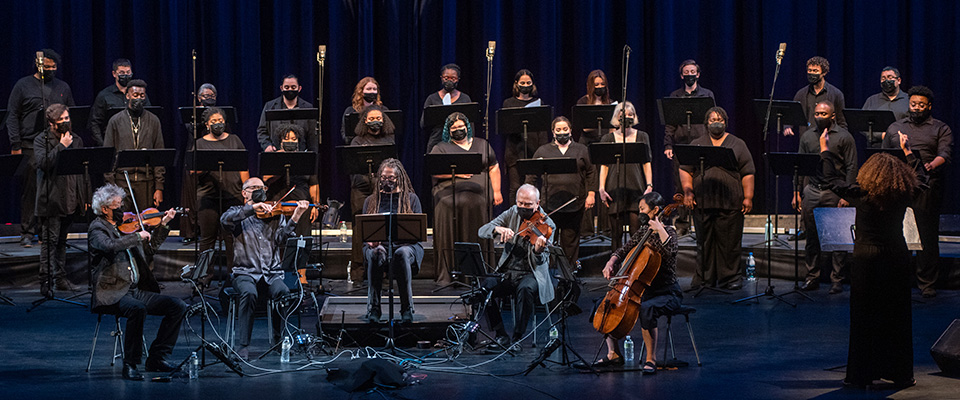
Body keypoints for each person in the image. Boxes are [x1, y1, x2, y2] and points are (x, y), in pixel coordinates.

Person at [819, 130, 924, 389]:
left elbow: (830, 179)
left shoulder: (860, 192)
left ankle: (860, 375)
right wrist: (909, 152)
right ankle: (900, 373)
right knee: (896, 316)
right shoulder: (904, 192)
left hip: (866, 259)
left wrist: (824, 150)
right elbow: (923, 179)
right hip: (896, 257)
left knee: (864, 316)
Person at [88, 184, 187, 381]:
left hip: (134, 290)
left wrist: (164, 223)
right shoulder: (97, 228)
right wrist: (135, 236)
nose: (122, 209)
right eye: (117, 206)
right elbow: (109, 246)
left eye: (122, 204)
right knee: (138, 309)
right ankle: (131, 364)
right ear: (105, 209)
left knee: (178, 306)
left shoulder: (125, 229)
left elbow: (149, 249)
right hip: (111, 292)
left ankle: (157, 358)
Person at [588, 192, 680, 374]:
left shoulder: (669, 232)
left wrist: (659, 229)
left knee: (647, 309)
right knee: (603, 304)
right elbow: (624, 249)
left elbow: (671, 251)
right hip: (642, 291)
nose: (640, 213)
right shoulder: (643, 231)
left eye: (642, 209)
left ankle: (651, 359)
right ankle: (613, 353)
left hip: (666, 292)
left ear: (655, 210)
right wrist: (611, 261)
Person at [220, 178, 309, 360]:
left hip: (271, 273)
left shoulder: (275, 213)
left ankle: (279, 341)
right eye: (253, 188)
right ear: (244, 193)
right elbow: (224, 221)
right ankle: (243, 345)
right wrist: (252, 208)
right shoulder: (235, 213)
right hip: (244, 273)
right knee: (249, 293)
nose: (259, 190)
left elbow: (282, 239)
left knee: (283, 292)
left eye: (261, 188)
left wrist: (296, 216)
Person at [881, 85, 952, 298]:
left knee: (926, 236)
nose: (917, 108)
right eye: (913, 104)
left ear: (929, 106)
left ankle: (927, 283)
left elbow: (945, 154)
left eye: (921, 105)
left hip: (927, 186)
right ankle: (897, 279)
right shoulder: (896, 127)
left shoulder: (940, 128)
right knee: (895, 234)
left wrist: (930, 165)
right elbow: (884, 154)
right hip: (898, 186)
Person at [680, 106, 755, 290]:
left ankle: (730, 278)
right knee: (703, 242)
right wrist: (688, 192)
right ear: (706, 123)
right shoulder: (698, 143)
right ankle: (704, 279)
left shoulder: (737, 144)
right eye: (712, 120)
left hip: (730, 202)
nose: (716, 122)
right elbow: (685, 169)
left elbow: (748, 172)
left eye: (720, 119)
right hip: (703, 201)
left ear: (726, 122)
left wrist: (748, 197)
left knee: (729, 242)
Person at [7, 49, 76, 248]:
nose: (51, 70)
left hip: (58, 144)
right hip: (30, 144)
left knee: (55, 189)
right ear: (38, 66)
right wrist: (16, 143)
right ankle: (27, 232)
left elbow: (72, 113)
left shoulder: (62, 86)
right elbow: (12, 115)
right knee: (31, 190)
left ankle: (50, 233)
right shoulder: (23, 85)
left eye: (54, 67)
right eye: (47, 67)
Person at [478, 184, 555, 350]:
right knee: (484, 290)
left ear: (537, 203)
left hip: (533, 273)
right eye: (521, 204)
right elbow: (482, 230)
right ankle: (501, 334)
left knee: (525, 289)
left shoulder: (548, 224)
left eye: (528, 205)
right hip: (508, 271)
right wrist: (498, 229)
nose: (523, 208)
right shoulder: (512, 212)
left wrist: (538, 251)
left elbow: (543, 262)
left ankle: (517, 338)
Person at [430, 112, 502, 285]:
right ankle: (451, 271)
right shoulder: (440, 147)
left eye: (461, 126)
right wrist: (459, 175)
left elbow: (493, 167)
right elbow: (434, 171)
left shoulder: (481, 144)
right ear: (448, 130)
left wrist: (497, 190)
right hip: (449, 189)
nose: (458, 130)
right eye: (454, 127)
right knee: (446, 204)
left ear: (467, 127)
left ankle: (478, 270)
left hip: (478, 190)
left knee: (476, 202)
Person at [794, 101, 857, 294]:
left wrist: (846, 194)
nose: (819, 116)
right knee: (811, 237)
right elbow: (800, 165)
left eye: (823, 114)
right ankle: (812, 277)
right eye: (817, 113)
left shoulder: (844, 137)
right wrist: (797, 192)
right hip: (812, 190)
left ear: (833, 116)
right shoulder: (807, 136)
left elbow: (851, 167)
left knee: (838, 238)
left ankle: (837, 279)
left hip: (834, 191)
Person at [360, 159, 424, 324]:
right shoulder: (371, 201)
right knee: (375, 253)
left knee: (401, 253)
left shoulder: (411, 199)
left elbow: (417, 233)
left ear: (399, 178)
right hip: (380, 246)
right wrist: (371, 241)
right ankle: (374, 309)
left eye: (391, 178)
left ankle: (406, 310)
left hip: (407, 246)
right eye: (383, 177)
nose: (386, 181)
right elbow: (365, 232)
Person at [35, 104, 89, 297]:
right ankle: (46, 282)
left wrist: (84, 197)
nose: (66, 122)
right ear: (52, 123)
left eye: (68, 118)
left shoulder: (77, 140)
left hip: (71, 198)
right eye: (62, 120)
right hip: (51, 200)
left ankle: (60, 278)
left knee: (61, 242)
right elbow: (43, 164)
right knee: (49, 243)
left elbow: (83, 173)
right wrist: (61, 147)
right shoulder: (42, 140)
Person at [192, 107, 249, 287]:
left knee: (232, 238)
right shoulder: (199, 143)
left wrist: (246, 191)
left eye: (221, 120)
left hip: (233, 195)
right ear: (207, 124)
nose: (218, 123)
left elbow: (243, 166)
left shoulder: (234, 140)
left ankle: (234, 276)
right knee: (207, 239)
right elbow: (193, 170)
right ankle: (203, 277)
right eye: (214, 121)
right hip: (208, 196)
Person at [527, 116, 596, 264]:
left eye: (565, 129)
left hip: (575, 204)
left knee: (570, 242)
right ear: (553, 132)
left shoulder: (581, 149)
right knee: (548, 241)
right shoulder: (543, 151)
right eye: (558, 130)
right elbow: (531, 175)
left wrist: (591, 193)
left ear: (570, 131)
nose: (562, 132)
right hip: (550, 204)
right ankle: (549, 273)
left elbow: (591, 172)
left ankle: (568, 274)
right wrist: (530, 199)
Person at [663, 60, 715, 233]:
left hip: (701, 144)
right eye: (686, 72)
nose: (690, 74)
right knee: (680, 186)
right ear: (682, 75)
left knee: (702, 182)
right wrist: (668, 144)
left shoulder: (707, 95)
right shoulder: (675, 96)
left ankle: (703, 222)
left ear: (698, 74)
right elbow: (670, 124)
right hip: (680, 146)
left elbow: (712, 120)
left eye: (693, 71)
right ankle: (683, 224)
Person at [349, 106, 397, 282]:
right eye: (371, 118)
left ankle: (383, 268)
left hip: (383, 189)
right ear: (365, 121)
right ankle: (359, 269)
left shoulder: (389, 140)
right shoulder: (356, 141)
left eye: (379, 117)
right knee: (359, 227)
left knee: (383, 225)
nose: (375, 121)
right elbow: (352, 168)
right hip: (361, 189)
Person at [598, 101, 653, 251]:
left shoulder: (642, 136)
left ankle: (634, 266)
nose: (627, 117)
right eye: (623, 115)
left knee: (636, 232)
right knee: (616, 233)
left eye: (631, 115)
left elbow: (646, 162)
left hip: (636, 188)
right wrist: (601, 188)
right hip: (614, 189)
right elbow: (604, 166)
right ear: (617, 117)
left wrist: (649, 186)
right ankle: (616, 267)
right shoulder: (608, 139)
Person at [103, 79, 165, 212]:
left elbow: (159, 155)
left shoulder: (154, 121)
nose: (139, 98)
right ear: (127, 96)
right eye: (135, 95)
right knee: (123, 222)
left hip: (146, 182)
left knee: (146, 223)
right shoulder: (115, 121)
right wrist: (111, 187)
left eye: (142, 95)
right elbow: (108, 155)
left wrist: (159, 187)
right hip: (122, 182)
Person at [502, 69, 551, 204]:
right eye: (522, 82)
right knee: (515, 188)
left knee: (532, 188)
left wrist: (543, 151)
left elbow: (543, 131)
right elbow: (506, 128)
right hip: (515, 151)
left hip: (533, 150)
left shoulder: (538, 103)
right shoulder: (509, 103)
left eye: (528, 82)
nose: (525, 85)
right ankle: (515, 219)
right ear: (516, 84)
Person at [264, 123, 320, 237]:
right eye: (287, 138)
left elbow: (313, 184)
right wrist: (282, 163)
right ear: (281, 142)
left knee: (302, 237)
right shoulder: (273, 158)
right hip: (279, 203)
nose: (290, 141)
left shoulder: (306, 159)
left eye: (294, 139)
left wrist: (315, 206)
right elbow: (266, 179)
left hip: (301, 203)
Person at [180, 82, 219, 244]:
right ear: (198, 98)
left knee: (212, 193)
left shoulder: (220, 115)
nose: (208, 98)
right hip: (194, 156)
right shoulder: (192, 114)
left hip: (213, 157)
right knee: (190, 196)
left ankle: (213, 231)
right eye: (205, 96)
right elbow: (191, 130)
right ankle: (190, 232)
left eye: (211, 96)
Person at [89, 58, 152, 146]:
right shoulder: (104, 95)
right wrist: (104, 145)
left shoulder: (140, 94)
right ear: (114, 74)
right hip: (113, 141)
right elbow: (94, 124)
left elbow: (149, 116)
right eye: (122, 73)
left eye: (128, 72)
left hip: (138, 141)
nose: (126, 75)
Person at [784, 56, 847, 137]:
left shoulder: (836, 94)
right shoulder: (801, 94)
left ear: (824, 73)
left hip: (828, 140)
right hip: (807, 140)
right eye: (810, 70)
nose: (812, 73)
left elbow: (842, 121)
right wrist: (788, 127)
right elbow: (791, 114)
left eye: (815, 71)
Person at [256, 74, 317, 153]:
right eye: (287, 87)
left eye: (293, 87)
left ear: (299, 88)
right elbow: (261, 130)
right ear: (281, 88)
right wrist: (267, 145)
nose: (290, 90)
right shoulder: (270, 106)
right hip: (276, 153)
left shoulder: (308, 107)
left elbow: (312, 135)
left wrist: (312, 154)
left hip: (300, 155)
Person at [424, 64, 473, 153]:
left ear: (458, 79)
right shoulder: (432, 98)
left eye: (453, 78)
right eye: (446, 78)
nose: (449, 81)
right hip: (437, 141)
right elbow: (423, 123)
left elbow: (471, 124)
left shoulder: (465, 99)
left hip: (460, 141)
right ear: (441, 78)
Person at [862, 67, 909, 147]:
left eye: (890, 77)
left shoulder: (908, 100)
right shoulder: (872, 100)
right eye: (883, 78)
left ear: (899, 80)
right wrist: (879, 135)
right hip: (876, 147)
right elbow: (862, 124)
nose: (886, 81)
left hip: (901, 146)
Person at [341, 76, 385, 144]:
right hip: (357, 146)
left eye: (374, 89)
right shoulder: (351, 111)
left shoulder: (383, 110)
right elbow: (345, 134)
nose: (372, 92)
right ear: (361, 92)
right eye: (369, 89)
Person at [575, 69, 614, 146]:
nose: (600, 87)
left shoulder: (610, 103)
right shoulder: (583, 102)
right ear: (591, 86)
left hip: (605, 140)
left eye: (602, 84)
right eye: (596, 84)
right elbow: (585, 128)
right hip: (587, 141)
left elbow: (613, 127)